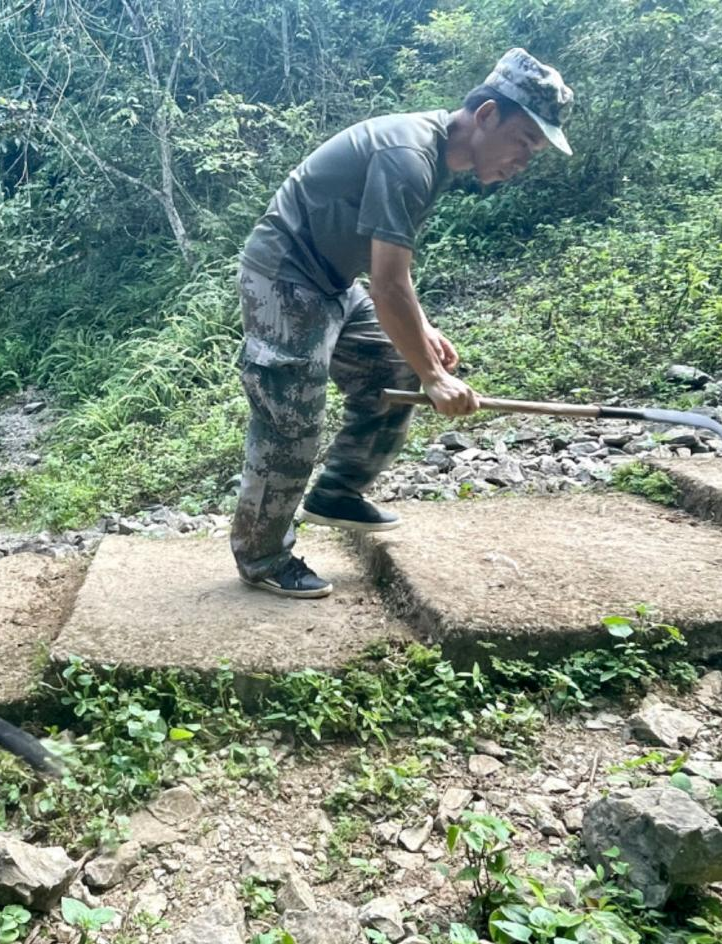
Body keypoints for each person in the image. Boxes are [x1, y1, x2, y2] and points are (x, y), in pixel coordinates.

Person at [233, 48, 573, 598]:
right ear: (487, 115)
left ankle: (337, 492)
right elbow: (390, 283)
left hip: (335, 281)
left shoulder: (433, 154)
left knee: (396, 363)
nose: (522, 162)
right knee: (290, 417)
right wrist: (437, 380)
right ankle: (263, 556)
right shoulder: (409, 155)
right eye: (523, 143)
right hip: (285, 276)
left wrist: (423, 336)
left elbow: (387, 272)